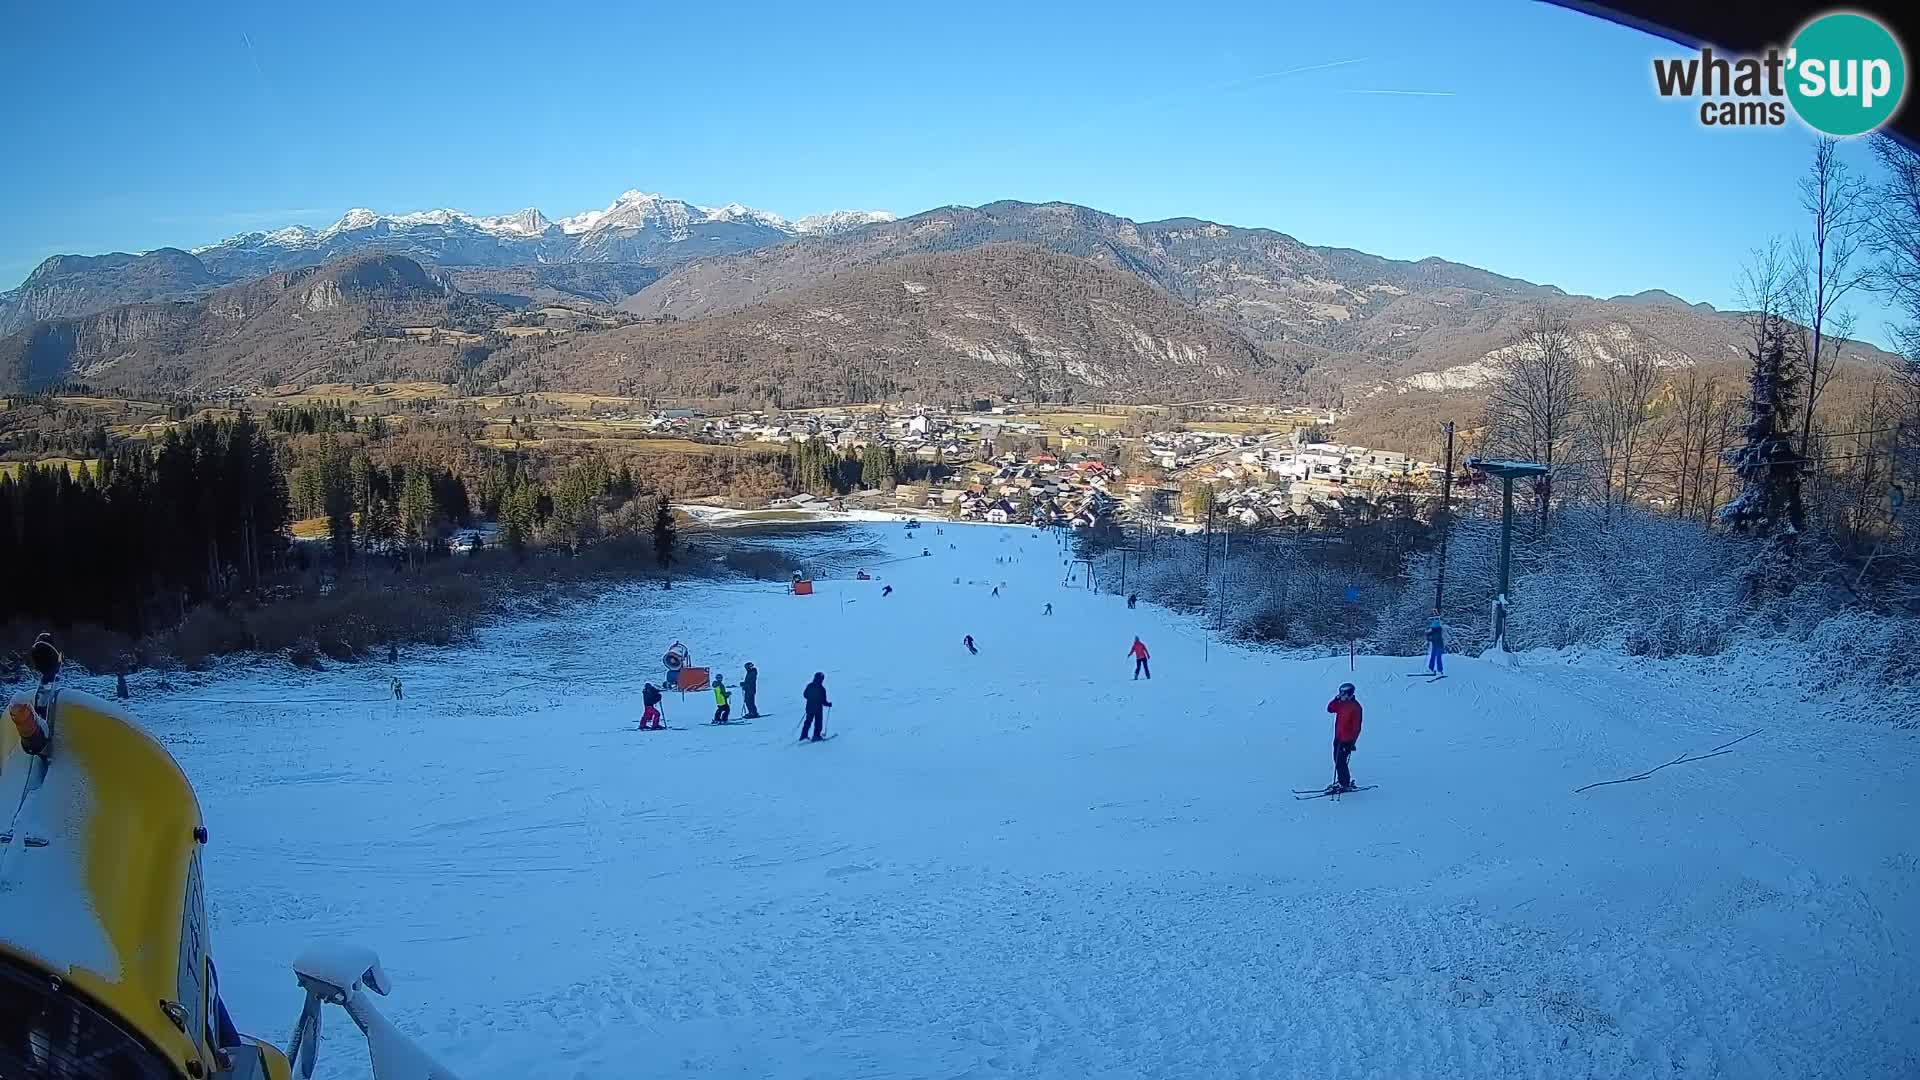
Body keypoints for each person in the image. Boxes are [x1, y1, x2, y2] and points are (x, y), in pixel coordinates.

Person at [1326, 682, 1364, 793]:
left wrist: (1351, 743)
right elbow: (1330, 709)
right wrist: (1336, 699)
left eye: (1343, 693)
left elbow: (1356, 727)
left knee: (1341, 762)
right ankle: (1342, 781)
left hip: (1346, 740)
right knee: (1337, 760)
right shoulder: (1341, 704)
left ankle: (1344, 783)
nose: (1341, 695)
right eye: (1340, 692)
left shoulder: (1356, 707)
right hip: (1338, 737)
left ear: (1349, 694)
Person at [801, 672, 831, 741]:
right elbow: (823, 701)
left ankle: (803, 736)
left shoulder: (810, 685)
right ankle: (816, 736)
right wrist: (828, 704)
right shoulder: (822, 689)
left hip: (809, 708)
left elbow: (805, 695)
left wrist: (810, 699)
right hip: (818, 709)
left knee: (808, 722)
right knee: (818, 723)